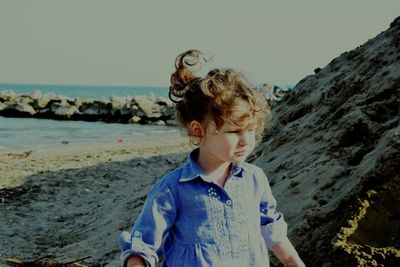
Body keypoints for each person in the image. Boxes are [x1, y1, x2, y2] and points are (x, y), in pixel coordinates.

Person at [119, 50, 305, 267]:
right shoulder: (173, 189)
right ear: (198, 131)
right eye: (234, 131)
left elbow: (270, 226)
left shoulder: (255, 179)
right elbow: (143, 245)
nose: (246, 140)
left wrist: (292, 261)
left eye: (251, 129)